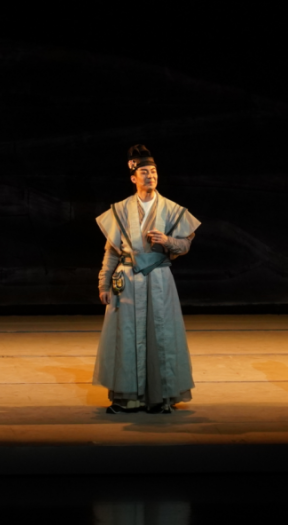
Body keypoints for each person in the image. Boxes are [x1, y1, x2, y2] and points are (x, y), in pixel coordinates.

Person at [94, 145, 201, 414]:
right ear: (133, 178)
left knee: (161, 336)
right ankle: (126, 398)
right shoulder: (120, 210)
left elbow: (185, 245)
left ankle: (161, 398)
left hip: (159, 279)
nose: (150, 176)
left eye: (153, 171)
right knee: (126, 337)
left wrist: (168, 241)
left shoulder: (172, 209)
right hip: (128, 280)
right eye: (144, 172)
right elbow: (111, 251)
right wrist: (104, 283)